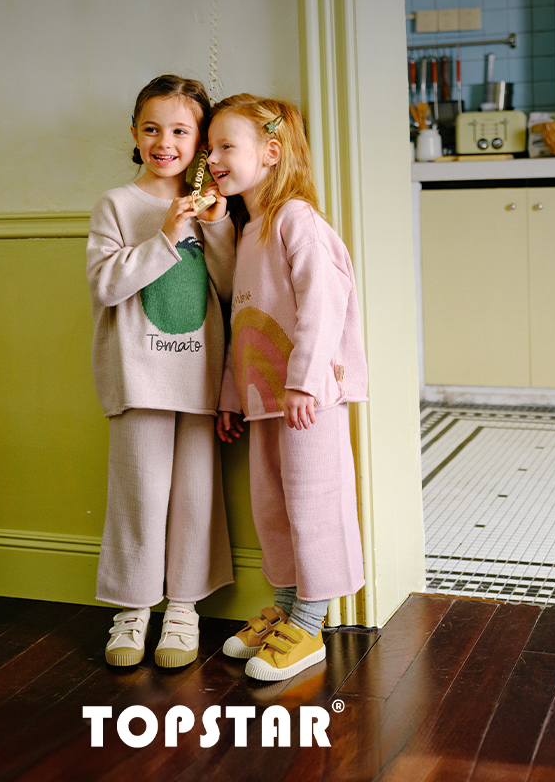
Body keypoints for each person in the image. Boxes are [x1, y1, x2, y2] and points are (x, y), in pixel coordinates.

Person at [208, 94, 368, 682]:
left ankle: (309, 625)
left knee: (313, 502)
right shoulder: (249, 231)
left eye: (226, 146)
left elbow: (324, 307)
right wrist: (232, 396)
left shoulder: (298, 221)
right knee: (272, 506)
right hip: (263, 398)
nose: (212, 159)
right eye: (210, 148)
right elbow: (243, 323)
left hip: (307, 399)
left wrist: (303, 383)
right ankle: (283, 609)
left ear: (271, 153)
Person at [86, 75, 235, 669]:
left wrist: (215, 226)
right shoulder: (117, 205)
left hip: (199, 377)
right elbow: (105, 285)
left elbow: (229, 287)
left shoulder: (215, 209)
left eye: (179, 130)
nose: (164, 142)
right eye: (151, 129)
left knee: (197, 496)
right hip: (138, 376)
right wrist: (167, 234)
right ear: (134, 133)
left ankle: (183, 608)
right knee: (138, 495)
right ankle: (132, 609)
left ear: (200, 142)